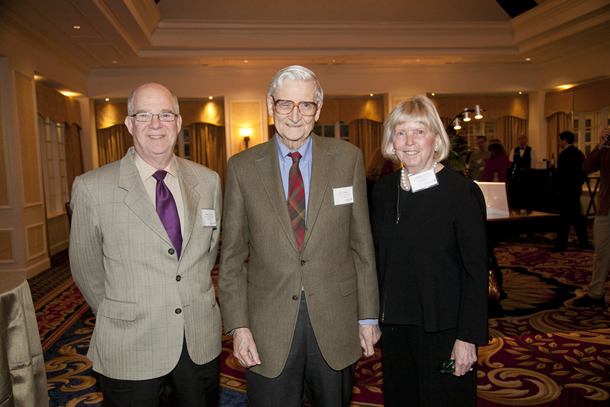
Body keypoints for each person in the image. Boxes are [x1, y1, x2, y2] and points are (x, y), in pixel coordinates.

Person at [218, 65, 380, 407]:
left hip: (336, 323)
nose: (295, 115)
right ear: (270, 105)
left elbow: (362, 245)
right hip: (267, 329)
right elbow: (231, 258)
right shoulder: (242, 167)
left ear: (318, 110)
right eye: (285, 104)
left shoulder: (347, 159)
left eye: (305, 105)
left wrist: (367, 317)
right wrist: (239, 326)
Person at [69, 83, 222, 406]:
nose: (156, 124)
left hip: (197, 339)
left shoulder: (208, 181)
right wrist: (119, 310)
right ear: (129, 124)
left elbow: (207, 254)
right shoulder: (92, 187)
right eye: (144, 115)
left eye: (165, 114)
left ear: (179, 123)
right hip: (130, 342)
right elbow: (85, 267)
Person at [371, 95, 488, 407]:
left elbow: (477, 273)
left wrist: (468, 338)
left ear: (436, 139)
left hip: (445, 332)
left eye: (420, 132)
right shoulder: (383, 191)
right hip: (395, 332)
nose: (410, 142)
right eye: (400, 133)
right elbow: (375, 261)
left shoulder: (461, 192)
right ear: (391, 141)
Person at [573, 127, 610, 307]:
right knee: (601, 251)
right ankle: (596, 294)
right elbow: (586, 167)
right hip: (606, 207)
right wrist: (600, 145)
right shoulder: (606, 147)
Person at [548, 131, 590, 252]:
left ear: (565, 140)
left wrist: (557, 189)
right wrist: (578, 184)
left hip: (566, 191)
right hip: (575, 189)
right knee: (577, 217)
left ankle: (561, 245)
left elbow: (561, 175)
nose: (559, 142)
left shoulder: (564, 155)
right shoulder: (579, 153)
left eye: (560, 140)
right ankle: (584, 241)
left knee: (564, 219)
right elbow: (583, 171)